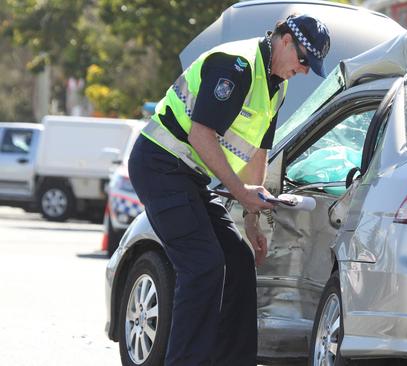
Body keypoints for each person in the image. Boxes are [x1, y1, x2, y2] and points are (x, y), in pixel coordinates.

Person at [127, 14, 330, 366]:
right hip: (160, 165)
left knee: (237, 259)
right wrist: (239, 193)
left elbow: (259, 152)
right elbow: (200, 135)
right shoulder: (236, 66)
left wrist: (253, 217)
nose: (305, 70)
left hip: (188, 177)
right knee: (203, 265)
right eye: (303, 59)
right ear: (284, 40)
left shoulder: (276, 86)